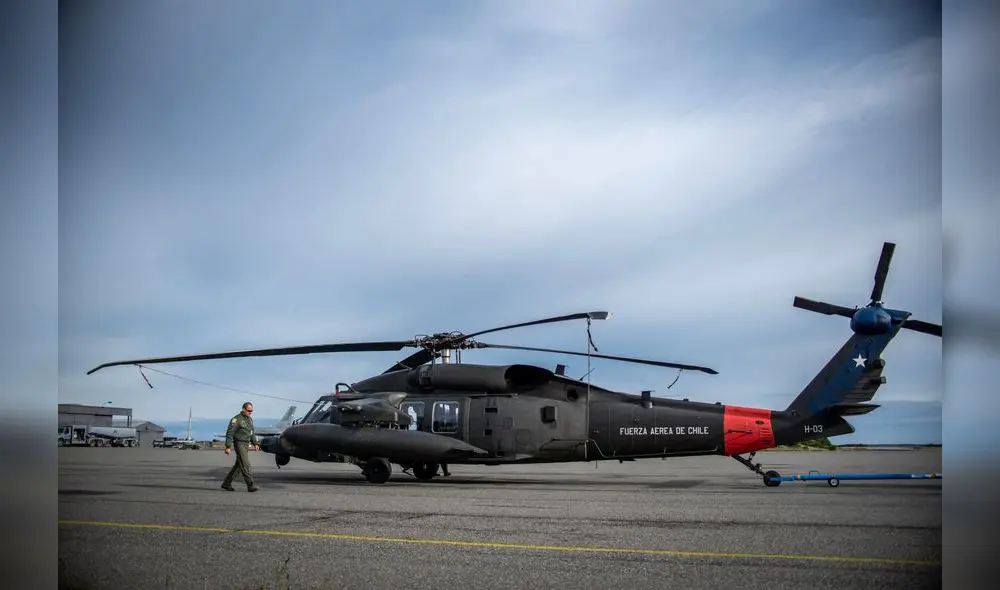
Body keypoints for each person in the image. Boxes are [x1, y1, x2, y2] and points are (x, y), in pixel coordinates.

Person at [221, 401, 258, 492]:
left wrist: (255, 443)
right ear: (243, 409)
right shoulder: (236, 419)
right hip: (239, 444)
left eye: (251, 411)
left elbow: (251, 433)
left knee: (238, 466)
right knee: (245, 464)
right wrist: (228, 446)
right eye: (249, 410)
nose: (250, 412)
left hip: (246, 445)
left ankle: (226, 483)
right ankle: (250, 485)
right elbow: (230, 433)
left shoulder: (249, 419)